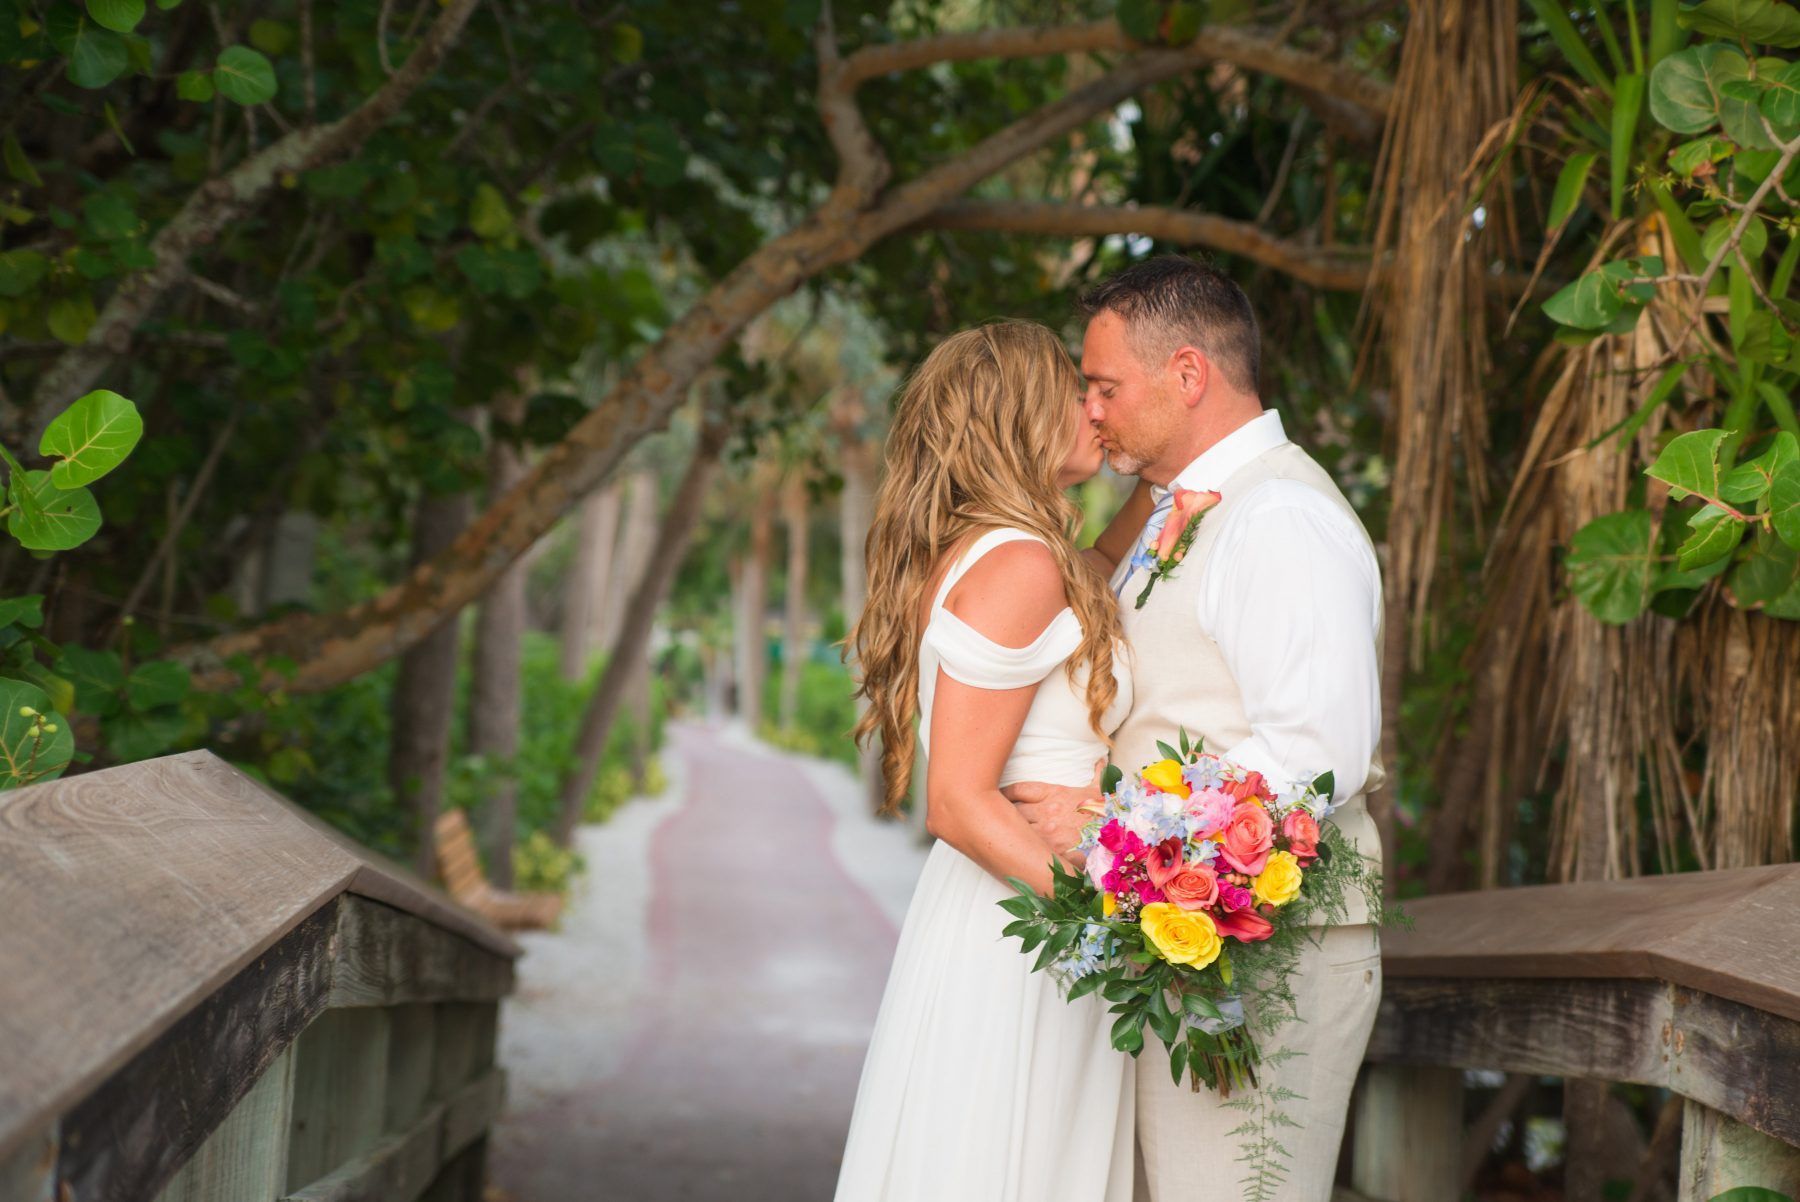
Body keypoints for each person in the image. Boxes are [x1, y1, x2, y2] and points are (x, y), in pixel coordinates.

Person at [1006, 255, 1386, 1200]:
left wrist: (1108, 838)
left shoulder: (1283, 519)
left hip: (1269, 955)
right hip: (1195, 946)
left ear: (1187, 373)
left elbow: (1311, 754)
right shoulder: (1185, 512)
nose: (1089, 410)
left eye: (1104, 386)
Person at [834, 320, 1138, 1201]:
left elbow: (1083, 584)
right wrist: (1117, 923)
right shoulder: (1019, 563)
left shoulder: (1011, 553)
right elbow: (958, 804)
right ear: (1016, 419)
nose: (1094, 407)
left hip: (1014, 902)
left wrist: (1153, 501)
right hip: (1031, 917)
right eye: (1070, 392)